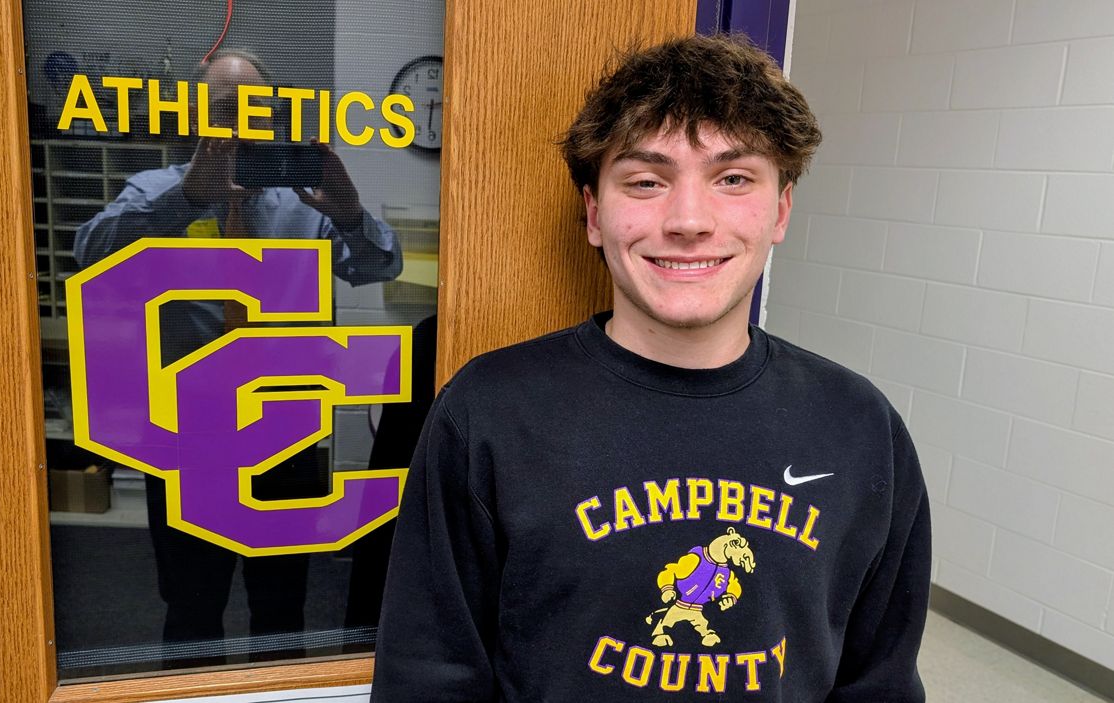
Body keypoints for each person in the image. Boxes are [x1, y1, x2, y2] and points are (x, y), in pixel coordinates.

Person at [372, 33, 929, 702]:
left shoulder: (861, 427)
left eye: (733, 178)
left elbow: (880, 684)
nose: (689, 220)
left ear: (780, 210)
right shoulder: (488, 412)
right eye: (645, 181)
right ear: (594, 214)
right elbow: (427, 676)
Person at [74, 48, 402, 661]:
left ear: (272, 116)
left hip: (286, 429)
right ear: (198, 116)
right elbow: (88, 255)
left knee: (283, 609)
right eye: (224, 108)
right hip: (185, 433)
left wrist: (351, 215)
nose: (239, 121)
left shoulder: (303, 203)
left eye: (254, 107)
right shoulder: (158, 192)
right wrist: (186, 199)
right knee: (190, 607)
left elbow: (380, 266)